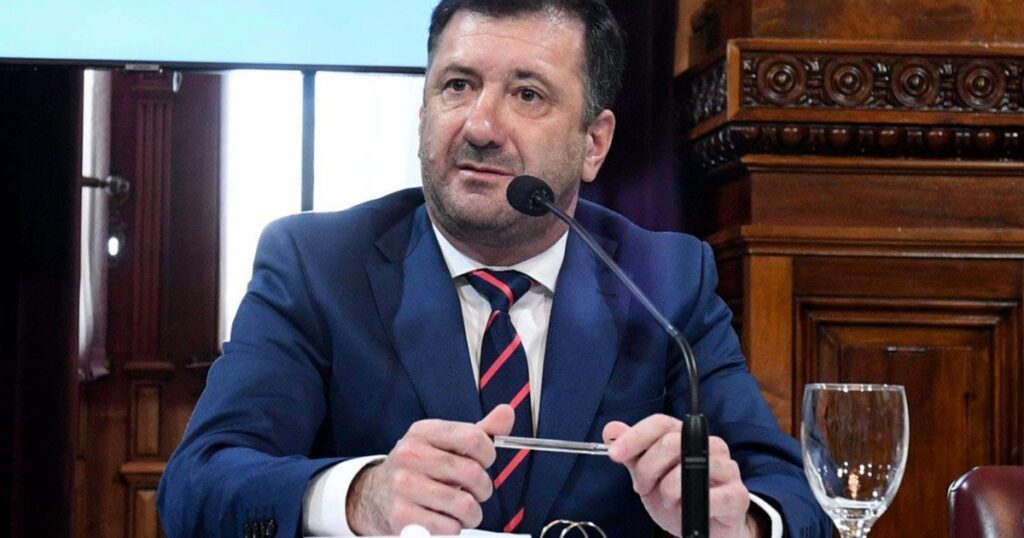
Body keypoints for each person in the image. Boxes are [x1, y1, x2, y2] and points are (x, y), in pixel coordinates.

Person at [157, 1, 832, 536]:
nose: (480, 126)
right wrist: (361, 496)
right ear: (423, 111)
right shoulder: (317, 265)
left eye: (528, 95)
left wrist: (738, 522)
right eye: (458, 85)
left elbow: (796, 502)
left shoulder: (667, 280)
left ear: (594, 144)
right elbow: (196, 486)